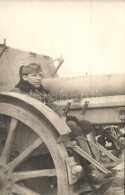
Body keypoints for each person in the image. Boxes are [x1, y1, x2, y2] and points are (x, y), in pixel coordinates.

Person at [11, 63, 115, 185]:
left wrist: (64, 116)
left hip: (51, 123)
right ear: (24, 77)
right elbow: (24, 114)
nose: (39, 78)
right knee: (74, 129)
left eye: (40, 75)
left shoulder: (41, 93)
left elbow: (54, 108)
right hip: (37, 129)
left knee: (85, 124)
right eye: (34, 75)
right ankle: (89, 170)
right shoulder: (18, 92)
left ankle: (97, 163)